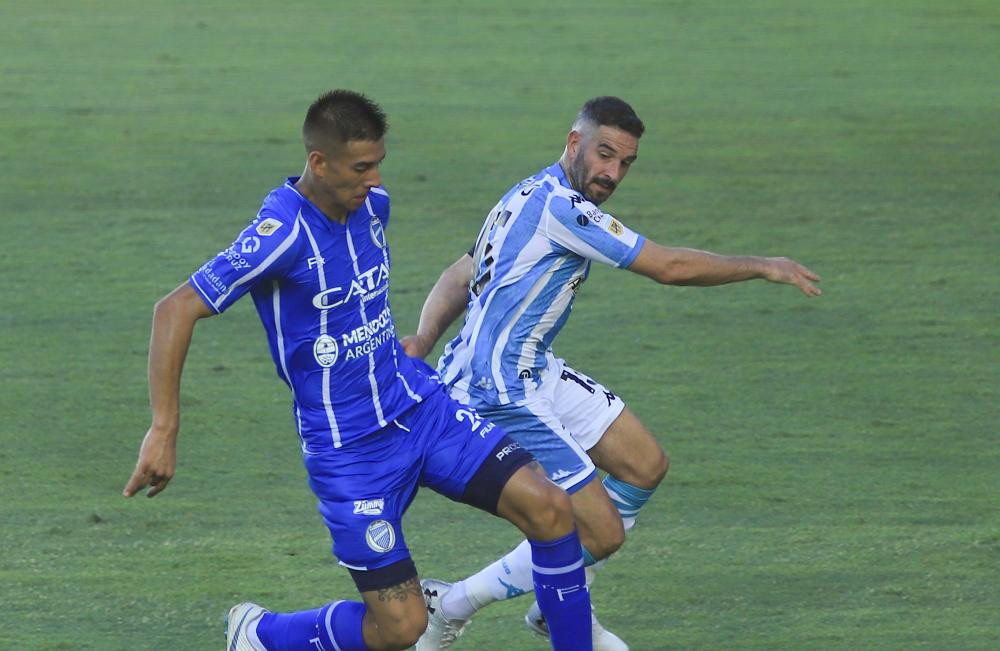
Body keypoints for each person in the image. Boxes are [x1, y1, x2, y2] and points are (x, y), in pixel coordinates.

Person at [122, 90, 594, 651]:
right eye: (360, 167)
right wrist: (164, 428)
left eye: (378, 165)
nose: (373, 180)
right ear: (318, 163)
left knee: (551, 509)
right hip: (350, 453)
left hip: (420, 410)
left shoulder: (374, 206)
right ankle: (262, 635)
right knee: (403, 627)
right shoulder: (282, 234)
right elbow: (174, 309)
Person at [403, 96, 822, 650]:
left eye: (625, 163)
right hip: (497, 387)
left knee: (645, 465)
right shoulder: (561, 209)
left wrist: (426, 337)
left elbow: (463, 270)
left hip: (535, 368)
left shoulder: (524, 193)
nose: (613, 173)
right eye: (605, 155)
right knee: (599, 530)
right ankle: (455, 604)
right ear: (574, 143)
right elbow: (668, 267)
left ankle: (545, 607)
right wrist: (765, 265)